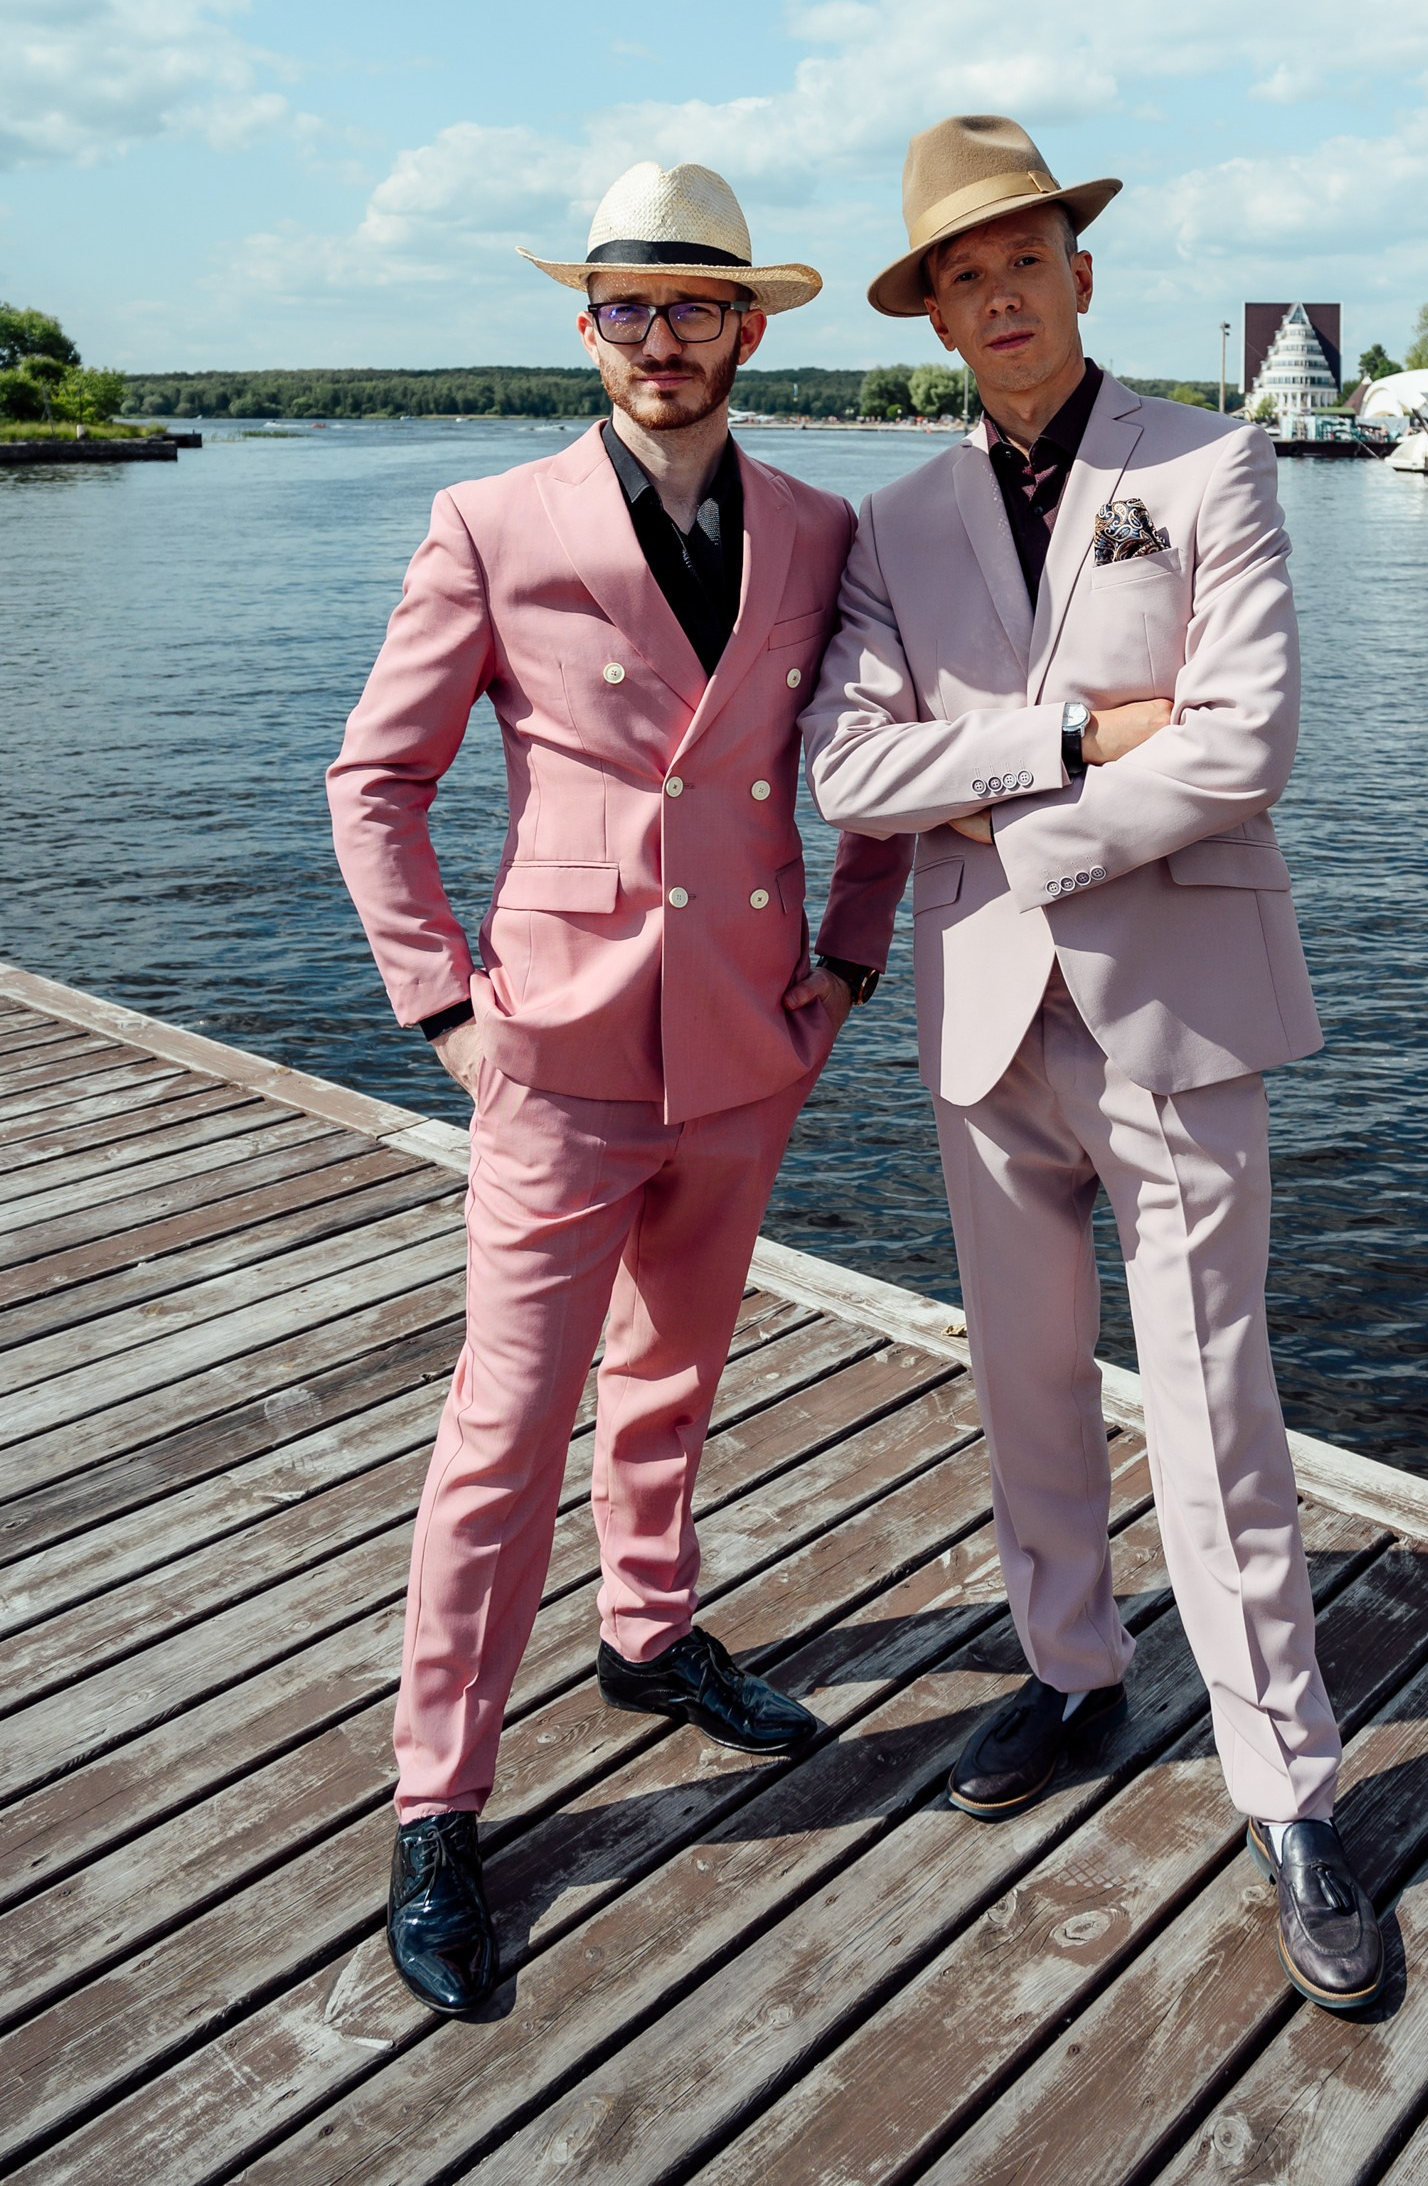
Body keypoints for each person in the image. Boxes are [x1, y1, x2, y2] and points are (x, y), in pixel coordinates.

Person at [802, 113, 1383, 2012]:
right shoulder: (893, 525)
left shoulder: (1211, 460)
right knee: (1028, 1383)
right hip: (985, 1024)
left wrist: (1007, 824)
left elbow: (1246, 741)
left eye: (1023, 261)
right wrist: (1065, 740)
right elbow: (848, 772)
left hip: (1177, 1014)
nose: (999, 297)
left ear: (1079, 271)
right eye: (962, 277)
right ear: (935, 313)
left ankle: (1288, 1786)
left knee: (1214, 1404)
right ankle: (1071, 1671)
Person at [328, 160, 909, 2017]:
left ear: (750, 329)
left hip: (746, 1047)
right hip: (557, 1055)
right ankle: (439, 1799)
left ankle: (647, 1633)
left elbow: (880, 768)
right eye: (630, 307)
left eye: (697, 307)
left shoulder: (821, 529)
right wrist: (449, 1014)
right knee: (502, 1432)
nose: (664, 338)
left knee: (673, 1375)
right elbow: (376, 783)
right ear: (588, 329)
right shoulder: (491, 521)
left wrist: (850, 964)